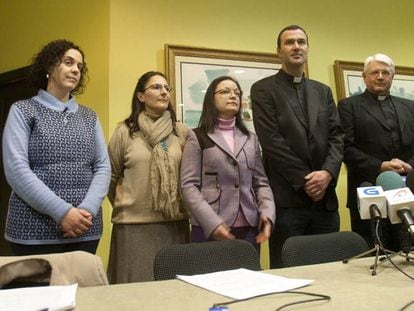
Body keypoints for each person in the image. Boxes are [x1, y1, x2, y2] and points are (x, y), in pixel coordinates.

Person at [2, 39, 111, 255]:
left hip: (85, 230)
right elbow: (16, 169)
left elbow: (102, 166)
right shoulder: (23, 110)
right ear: (50, 67)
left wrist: (85, 212)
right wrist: (62, 212)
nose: (75, 70)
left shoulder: (89, 116)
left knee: (84, 290)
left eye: (79, 66)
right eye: (68, 63)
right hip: (32, 232)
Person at [250, 25, 344, 268]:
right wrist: (307, 180)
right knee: (288, 274)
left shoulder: (322, 91)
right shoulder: (263, 89)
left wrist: (328, 173)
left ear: (307, 49)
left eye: (301, 42)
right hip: (287, 201)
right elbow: (271, 141)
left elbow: (336, 136)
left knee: (331, 271)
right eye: (289, 42)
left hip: (325, 202)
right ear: (278, 51)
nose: (296, 46)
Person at [107, 71, 189, 283]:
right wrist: (131, 203)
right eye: (156, 87)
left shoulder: (181, 132)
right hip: (133, 227)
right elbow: (111, 177)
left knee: (174, 293)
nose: (163, 92)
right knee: (133, 294)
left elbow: (190, 177)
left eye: (166, 88)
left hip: (174, 225)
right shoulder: (124, 131)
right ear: (140, 96)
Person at [181, 76, 276, 252]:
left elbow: (260, 182)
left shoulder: (250, 139)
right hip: (209, 227)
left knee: (248, 278)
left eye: (237, 93)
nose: (233, 96)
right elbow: (188, 186)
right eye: (225, 92)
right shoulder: (197, 136)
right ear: (211, 98)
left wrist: (268, 213)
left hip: (248, 227)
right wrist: (212, 223)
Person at [338, 53, 414, 250]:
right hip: (368, 190)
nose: (380, 76)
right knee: (373, 251)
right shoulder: (349, 106)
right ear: (364, 77)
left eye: (385, 72)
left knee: (408, 249)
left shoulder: (409, 106)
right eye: (375, 72)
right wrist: (380, 166)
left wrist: (409, 165)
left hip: (406, 191)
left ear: (392, 76)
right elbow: (345, 148)